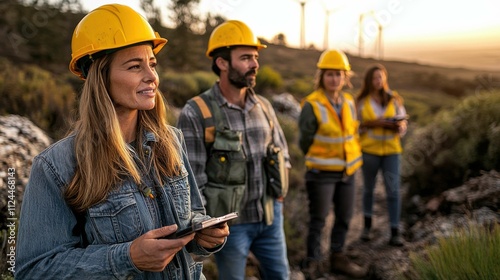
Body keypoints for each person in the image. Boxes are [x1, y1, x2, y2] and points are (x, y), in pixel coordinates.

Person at [15, 4, 229, 279]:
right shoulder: (57, 166)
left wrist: (203, 233)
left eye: (152, 64)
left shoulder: (172, 141)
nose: (152, 76)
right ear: (100, 77)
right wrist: (127, 258)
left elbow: (194, 214)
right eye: (134, 66)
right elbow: (34, 270)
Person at [177, 20, 291, 280]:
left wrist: (279, 195)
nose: (255, 64)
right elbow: (192, 179)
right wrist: (211, 226)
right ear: (222, 63)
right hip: (231, 228)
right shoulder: (196, 112)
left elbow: (282, 151)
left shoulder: (263, 105)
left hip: (271, 219)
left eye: (256, 57)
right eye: (246, 58)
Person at [298, 49, 366, 279]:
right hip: (321, 173)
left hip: (348, 172)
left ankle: (338, 257)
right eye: (329, 74)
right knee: (319, 219)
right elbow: (304, 141)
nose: (334, 79)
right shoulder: (312, 104)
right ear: (321, 76)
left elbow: (351, 134)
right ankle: (313, 264)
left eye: (338, 74)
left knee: (345, 217)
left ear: (345, 77)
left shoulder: (348, 101)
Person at [356, 64, 408, 247]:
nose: (378, 81)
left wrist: (399, 127)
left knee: (393, 191)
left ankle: (395, 232)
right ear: (369, 81)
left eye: (380, 77)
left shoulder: (394, 99)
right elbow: (355, 126)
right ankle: (366, 228)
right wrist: (372, 124)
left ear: (385, 78)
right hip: (369, 151)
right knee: (368, 190)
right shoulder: (361, 102)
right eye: (374, 78)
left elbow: (403, 125)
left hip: (392, 152)